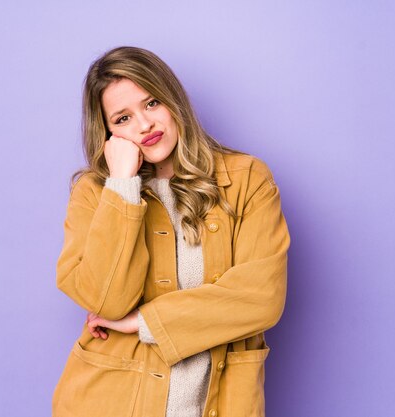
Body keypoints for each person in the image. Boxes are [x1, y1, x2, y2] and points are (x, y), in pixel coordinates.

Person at [52, 46, 290, 417]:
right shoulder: (96, 193)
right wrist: (122, 187)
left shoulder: (247, 180)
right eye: (123, 118)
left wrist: (143, 321)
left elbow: (262, 297)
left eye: (151, 104)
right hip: (110, 401)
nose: (144, 125)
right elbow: (106, 301)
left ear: (172, 99)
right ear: (108, 131)